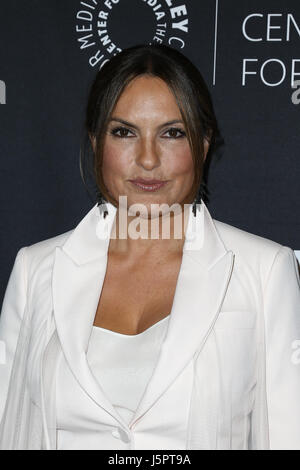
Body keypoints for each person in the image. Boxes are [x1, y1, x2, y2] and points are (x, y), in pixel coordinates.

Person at [0, 44, 299, 450]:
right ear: (95, 142)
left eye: (172, 133)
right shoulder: (36, 269)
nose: (147, 159)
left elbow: (286, 436)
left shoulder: (264, 271)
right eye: (124, 132)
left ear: (203, 144)